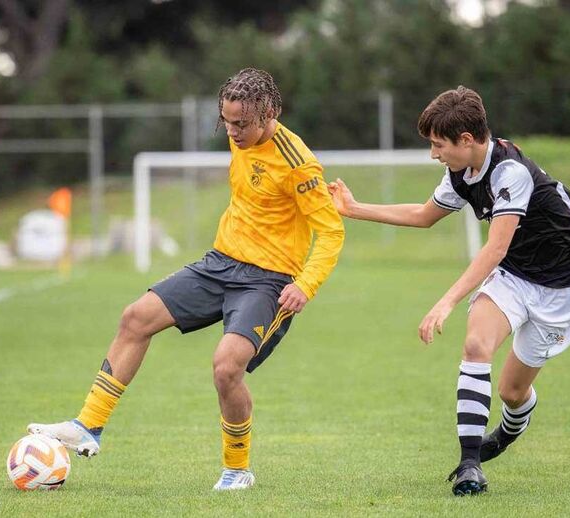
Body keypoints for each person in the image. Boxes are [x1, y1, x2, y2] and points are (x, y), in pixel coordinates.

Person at [29, 68, 345, 491]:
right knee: (135, 318)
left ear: (268, 113)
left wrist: (304, 285)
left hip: (267, 282)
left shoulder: (298, 164)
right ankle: (88, 426)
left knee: (226, 368)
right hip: (220, 263)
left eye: (241, 124)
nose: (231, 132)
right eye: (226, 121)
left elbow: (331, 232)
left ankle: (237, 470)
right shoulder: (241, 137)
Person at [327, 86, 570, 496]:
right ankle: (470, 465)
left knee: (512, 392)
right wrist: (354, 208)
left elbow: (495, 247)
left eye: (438, 145)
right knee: (475, 345)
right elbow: (423, 215)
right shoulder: (462, 172)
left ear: (466, 140)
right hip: (514, 275)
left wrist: (446, 302)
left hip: (561, 289)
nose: (434, 154)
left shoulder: (510, 173)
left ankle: (505, 433)